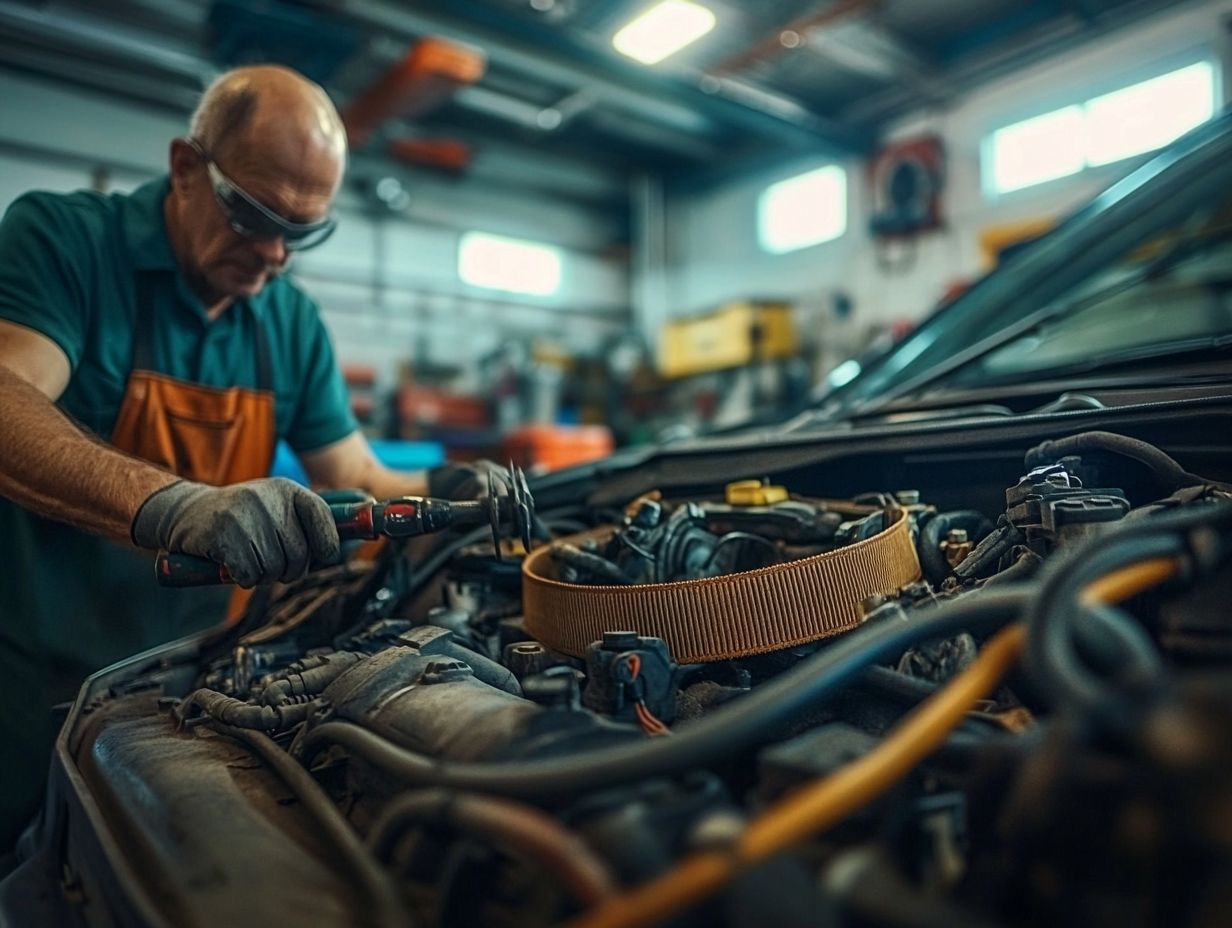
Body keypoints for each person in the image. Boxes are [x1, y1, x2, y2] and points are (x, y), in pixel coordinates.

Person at [0, 65, 495, 850]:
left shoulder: (289, 322)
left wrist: (461, 488)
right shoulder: (67, 244)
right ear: (186, 168)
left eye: (302, 232)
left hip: (183, 683)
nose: (273, 255)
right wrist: (176, 505)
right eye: (251, 214)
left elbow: (358, 479)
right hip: (26, 684)